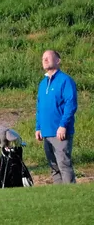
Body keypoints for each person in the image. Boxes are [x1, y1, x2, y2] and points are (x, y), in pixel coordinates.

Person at [35, 49, 78, 184]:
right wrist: (38, 127)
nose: (45, 60)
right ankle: (60, 195)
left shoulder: (65, 80)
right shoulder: (43, 83)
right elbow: (39, 107)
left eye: (48, 57)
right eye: (43, 58)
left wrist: (63, 125)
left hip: (60, 132)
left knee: (63, 164)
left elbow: (70, 104)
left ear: (58, 61)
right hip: (46, 132)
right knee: (54, 167)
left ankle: (71, 194)